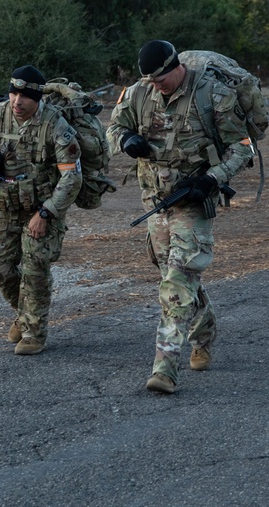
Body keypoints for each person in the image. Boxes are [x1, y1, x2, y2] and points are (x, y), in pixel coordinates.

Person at [107, 40, 260, 394]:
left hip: (195, 198)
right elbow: (112, 130)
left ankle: (165, 368)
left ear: (176, 66)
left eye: (161, 78)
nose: (156, 86)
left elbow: (242, 148)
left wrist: (211, 179)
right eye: (150, 80)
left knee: (177, 281)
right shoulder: (138, 93)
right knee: (174, 274)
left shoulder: (213, 95)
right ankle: (204, 330)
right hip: (156, 199)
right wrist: (126, 139)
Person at [0, 65, 83, 355]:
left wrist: (47, 213)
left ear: (37, 98)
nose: (17, 101)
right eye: (13, 93)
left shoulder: (55, 125)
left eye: (24, 96)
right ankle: (26, 315)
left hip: (42, 210)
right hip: (5, 207)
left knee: (35, 268)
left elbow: (72, 177)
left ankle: (34, 333)